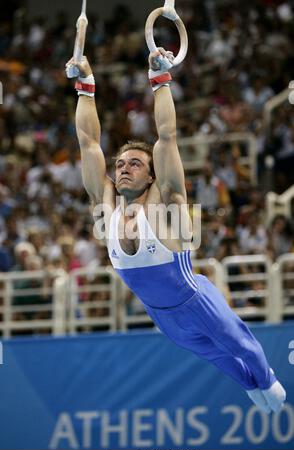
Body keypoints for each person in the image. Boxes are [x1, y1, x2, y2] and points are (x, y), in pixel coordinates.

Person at [66, 49, 286, 414]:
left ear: (151, 176)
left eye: (134, 164)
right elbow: (88, 142)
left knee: (242, 349)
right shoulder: (104, 205)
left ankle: (269, 381)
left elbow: (166, 136)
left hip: (197, 301)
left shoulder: (165, 201)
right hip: (161, 316)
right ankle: (254, 385)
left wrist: (160, 80)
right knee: (222, 361)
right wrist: (84, 87)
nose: (122, 169)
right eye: (119, 164)